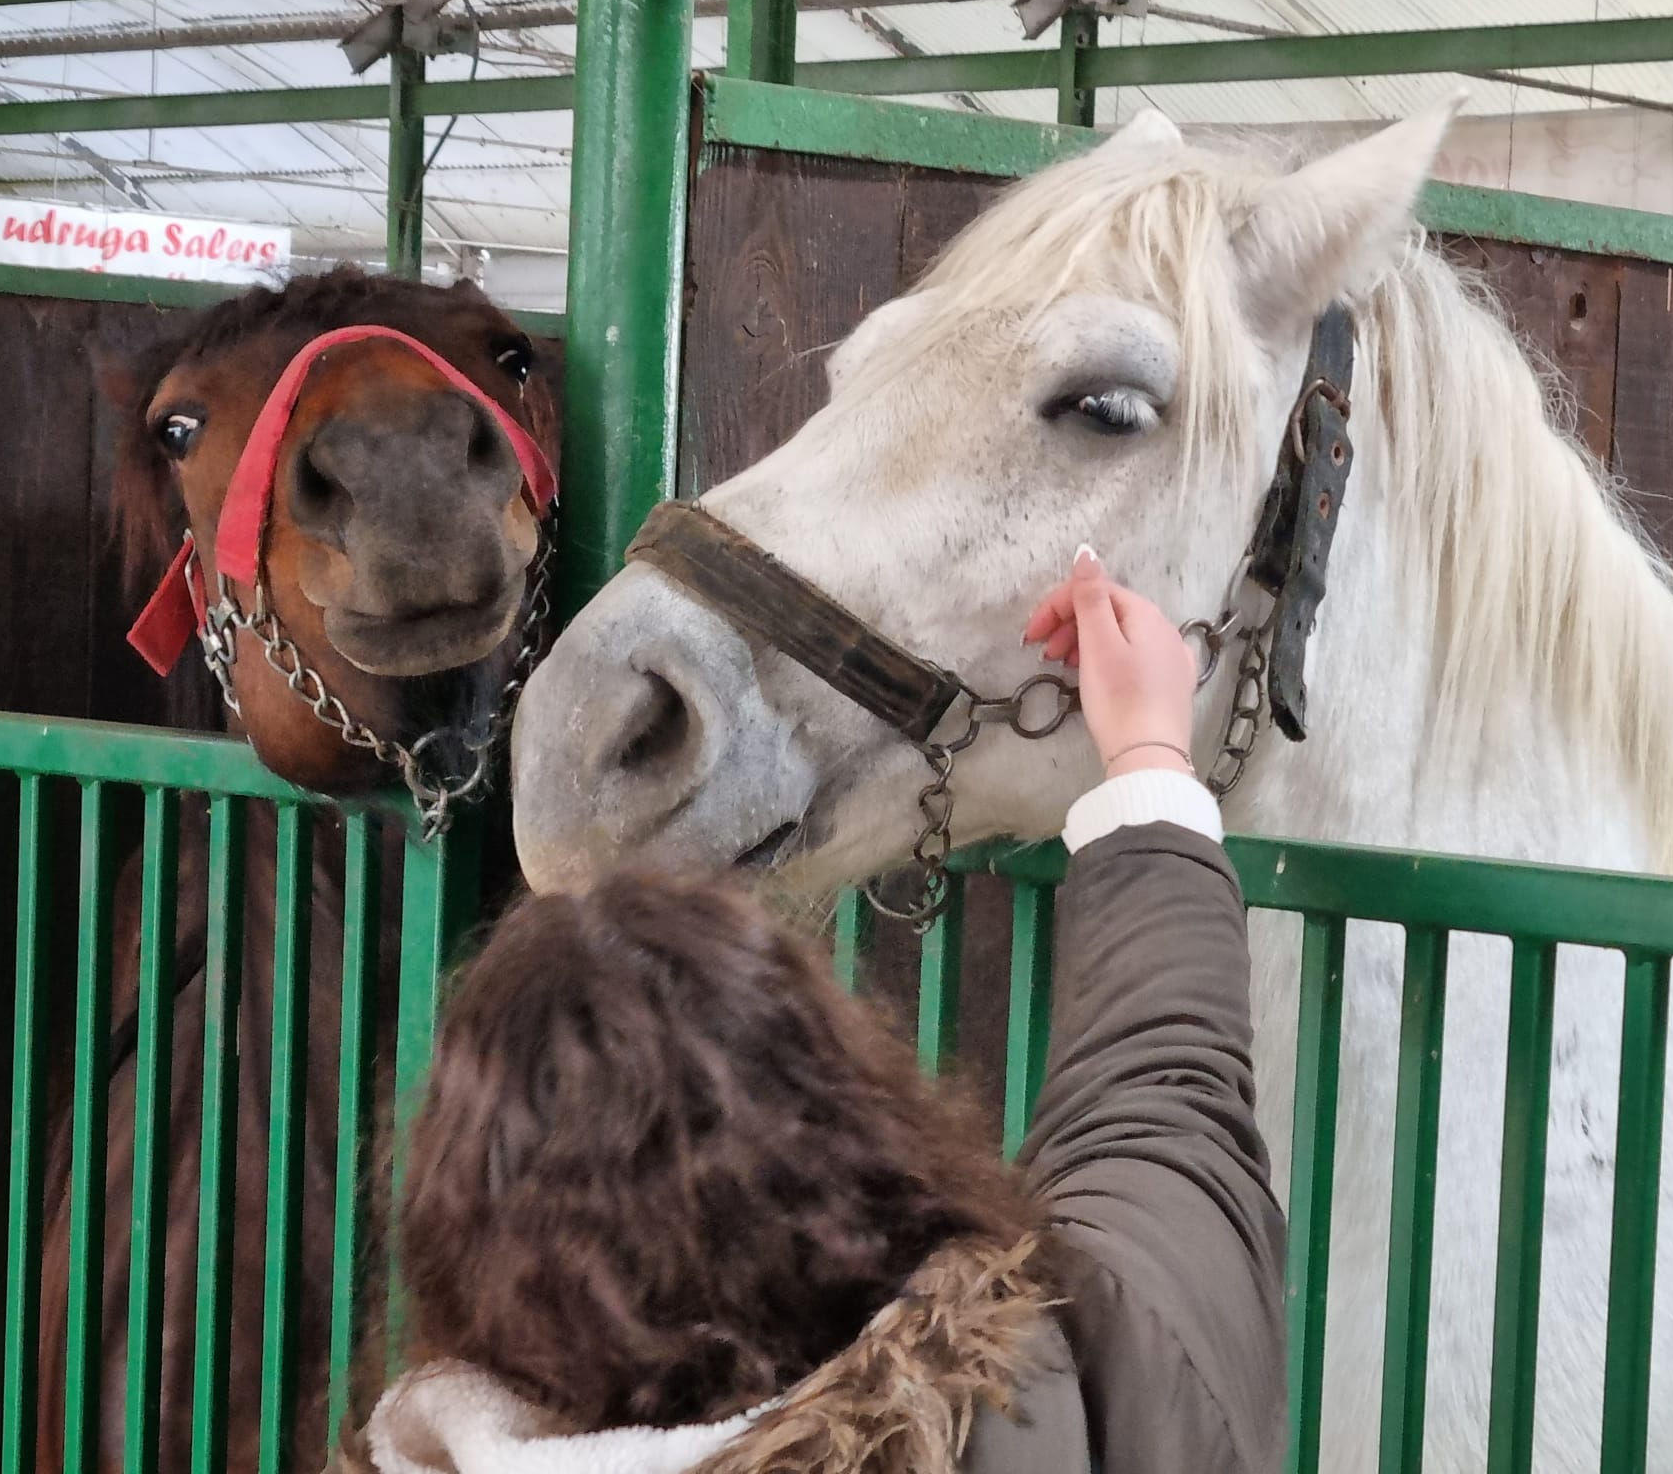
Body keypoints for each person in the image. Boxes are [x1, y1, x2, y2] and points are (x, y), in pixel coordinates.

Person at [338, 547, 1287, 1474]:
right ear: (843, 1121)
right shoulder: (1064, 1389)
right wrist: (1149, 757)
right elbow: (1165, 1110)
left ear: (464, 1243)